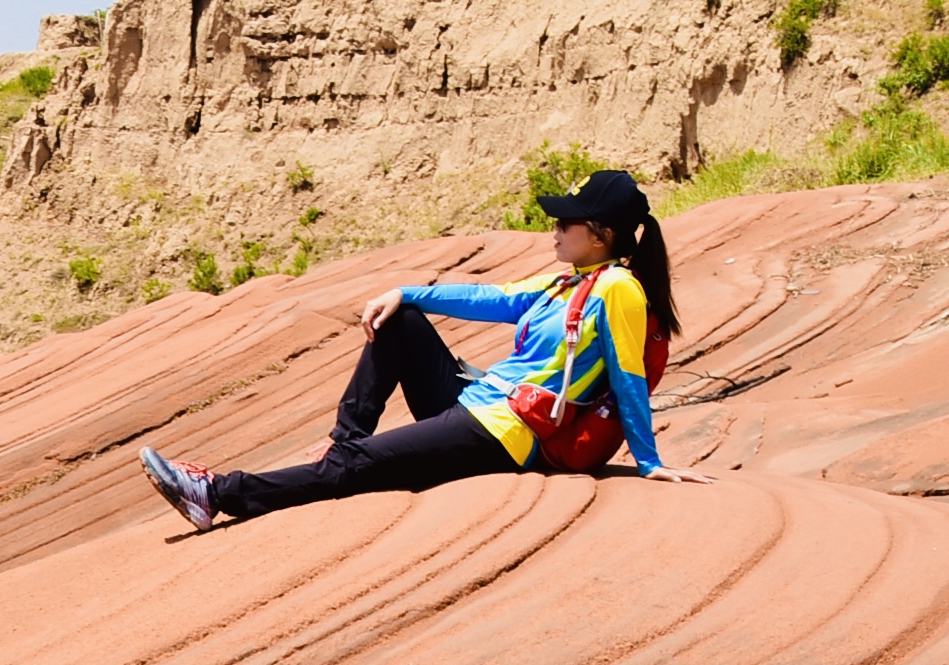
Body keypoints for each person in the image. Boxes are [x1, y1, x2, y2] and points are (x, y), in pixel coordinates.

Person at [140, 169, 713, 531]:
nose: (555, 229)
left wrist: (650, 463)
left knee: (358, 470)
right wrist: (407, 290)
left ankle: (216, 493)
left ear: (602, 233)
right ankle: (346, 437)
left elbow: (628, 377)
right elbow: (493, 297)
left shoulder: (617, 289)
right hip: (482, 404)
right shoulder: (568, 280)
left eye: (566, 221)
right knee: (403, 323)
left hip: (508, 434)